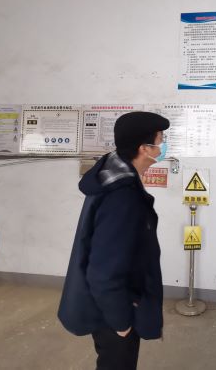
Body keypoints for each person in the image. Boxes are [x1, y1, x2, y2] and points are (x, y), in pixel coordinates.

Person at [58, 111, 170, 370]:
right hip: (113, 313)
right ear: (144, 149)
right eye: (160, 141)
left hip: (113, 303)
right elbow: (103, 272)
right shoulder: (123, 197)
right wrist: (121, 322)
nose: (163, 147)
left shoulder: (112, 175)